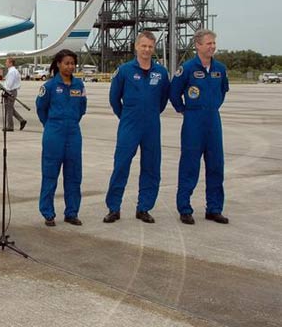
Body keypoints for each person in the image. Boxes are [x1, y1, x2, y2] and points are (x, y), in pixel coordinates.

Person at [103, 31, 170, 224]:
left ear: (153, 48)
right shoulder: (124, 71)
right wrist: (125, 116)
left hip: (151, 126)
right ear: (136, 47)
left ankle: (144, 208)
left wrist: (152, 113)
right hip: (129, 125)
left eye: (150, 46)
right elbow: (114, 98)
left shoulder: (161, 72)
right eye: (143, 46)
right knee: (121, 165)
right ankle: (114, 208)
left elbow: (164, 98)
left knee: (151, 167)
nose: (147, 50)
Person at [170, 29, 230, 225]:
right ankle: (185, 209)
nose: (212, 46)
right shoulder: (186, 68)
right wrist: (184, 109)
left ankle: (214, 209)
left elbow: (223, 90)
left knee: (216, 165)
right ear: (197, 45)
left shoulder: (219, 68)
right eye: (208, 43)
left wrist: (212, 107)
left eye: (214, 43)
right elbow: (174, 92)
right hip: (193, 122)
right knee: (189, 166)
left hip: (213, 120)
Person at [36, 49, 87, 226]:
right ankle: (48, 213)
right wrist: (51, 125)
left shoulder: (79, 85)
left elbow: (82, 108)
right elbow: (41, 109)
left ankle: (72, 212)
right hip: (54, 133)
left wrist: (70, 122)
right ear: (58, 64)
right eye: (66, 63)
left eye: (72, 63)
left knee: (74, 174)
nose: (70, 66)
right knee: (50, 173)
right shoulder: (49, 86)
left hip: (73, 132)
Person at [3, 57, 27, 131]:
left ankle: (10, 126)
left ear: (11, 63)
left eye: (7, 62)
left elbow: (9, 84)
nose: (5, 63)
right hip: (11, 91)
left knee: (9, 109)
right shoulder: (13, 71)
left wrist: (6, 91)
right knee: (9, 108)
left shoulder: (12, 72)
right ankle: (21, 120)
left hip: (10, 91)